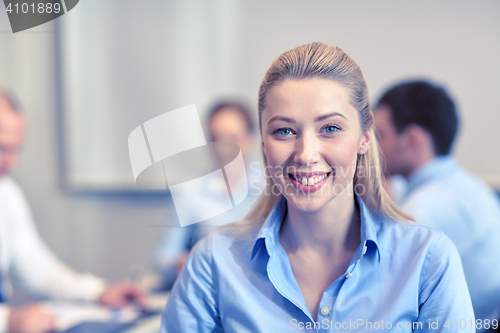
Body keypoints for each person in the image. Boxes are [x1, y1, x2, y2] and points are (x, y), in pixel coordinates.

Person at [160, 43, 475, 332]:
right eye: (284, 131)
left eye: (330, 129)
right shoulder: (213, 262)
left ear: (365, 136)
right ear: (263, 144)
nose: (306, 154)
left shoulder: (427, 260)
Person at [0, 90, 147, 333]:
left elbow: (39, 271)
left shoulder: (7, 193)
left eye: (17, 150)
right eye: (3, 149)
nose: (12, 163)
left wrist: (98, 292)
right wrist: (6, 321)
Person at [374, 80, 500, 331]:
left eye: (379, 135)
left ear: (412, 140)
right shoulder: (466, 185)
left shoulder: (422, 211)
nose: (369, 146)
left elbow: (380, 297)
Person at [154, 100, 264, 290]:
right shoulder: (189, 191)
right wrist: (177, 263)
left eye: (232, 138)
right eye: (216, 138)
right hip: (208, 289)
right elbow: (164, 255)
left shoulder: (272, 188)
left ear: (250, 138)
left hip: (259, 290)